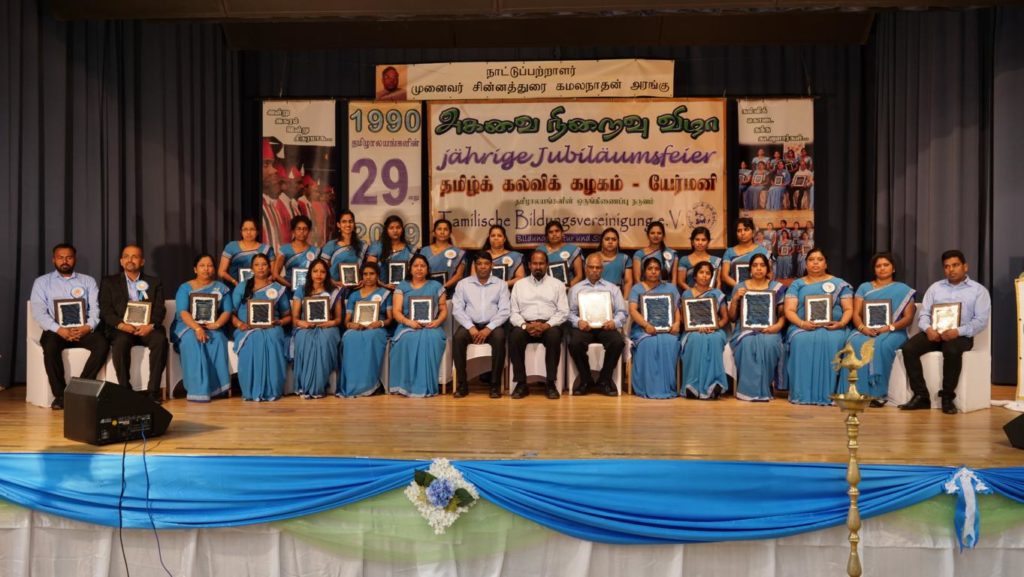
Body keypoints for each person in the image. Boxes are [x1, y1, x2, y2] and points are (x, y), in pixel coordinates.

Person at [898, 250, 990, 414]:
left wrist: (958, 331)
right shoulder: (935, 288)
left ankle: (947, 397)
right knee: (909, 348)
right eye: (947, 266)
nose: (951, 270)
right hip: (934, 333)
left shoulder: (978, 291)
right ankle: (921, 396)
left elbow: (980, 321)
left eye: (955, 265)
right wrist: (928, 329)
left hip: (960, 336)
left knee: (951, 350)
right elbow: (924, 314)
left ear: (965, 267)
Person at [30, 243, 109, 410]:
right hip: (56, 331)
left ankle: (80, 390)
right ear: (53, 260)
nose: (64, 261)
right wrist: (59, 329)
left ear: (75, 259)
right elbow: (39, 312)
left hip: (83, 329)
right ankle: (60, 396)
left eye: (69, 257)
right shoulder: (42, 282)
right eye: (60, 257)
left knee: (102, 344)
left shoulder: (88, 281)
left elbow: (95, 309)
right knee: (50, 346)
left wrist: (88, 327)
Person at [840, 253, 916, 406]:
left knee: (880, 344)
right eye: (878, 266)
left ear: (893, 268)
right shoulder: (864, 287)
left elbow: (908, 317)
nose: (882, 268)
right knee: (853, 343)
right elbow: (856, 314)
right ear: (874, 270)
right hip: (865, 329)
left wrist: (889, 327)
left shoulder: (903, 289)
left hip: (893, 330)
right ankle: (854, 391)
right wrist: (863, 328)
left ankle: (878, 394)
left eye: (886, 265)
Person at [98, 245, 168, 403]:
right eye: (126, 256)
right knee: (121, 342)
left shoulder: (154, 282)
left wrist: (150, 325)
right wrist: (121, 325)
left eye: (135, 256)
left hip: (147, 327)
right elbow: (105, 310)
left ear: (142, 261)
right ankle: (125, 390)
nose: (130, 260)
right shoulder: (109, 282)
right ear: (121, 261)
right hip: (122, 328)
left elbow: (160, 309)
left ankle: (153, 391)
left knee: (160, 340)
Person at [784, 248, 853, 405]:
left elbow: (849, 309)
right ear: (806, 264)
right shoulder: (797, 284)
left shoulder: (839, 284)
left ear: (826, 264)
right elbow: (789, 310)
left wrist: (841, 323)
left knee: (834, 340)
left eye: (820, 259)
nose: (815, 263)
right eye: (811, 259)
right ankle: (801, 394)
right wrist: (802, 323)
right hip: (802, 327)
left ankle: (832, 394)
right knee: (800, 340)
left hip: (835, 327)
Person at [170, 254, 232, 402]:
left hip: (212, 325)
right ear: (195, 269)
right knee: (192, 340)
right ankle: (197, 391)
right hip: (187, 325)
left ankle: (216, 389)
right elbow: (182, 312)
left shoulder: (221, 288)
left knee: (217, 339)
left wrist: (217, 324)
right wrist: (197, 328)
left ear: (214, 269)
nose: (206, 269)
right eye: (202, 266)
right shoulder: (185, 287)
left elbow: (227, 311)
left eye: (209, 266)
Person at [509, 250, 570, 399]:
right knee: (515, 336)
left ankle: (550, 383)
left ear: (547, 265)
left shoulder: (558, 285)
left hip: (549, 325)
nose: (538, 267)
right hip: (526, 325)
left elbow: (563, 312)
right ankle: (521, 383)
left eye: (541, 263)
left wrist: (547, 325)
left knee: (554, 336)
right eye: (535, 263)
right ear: (529, 265)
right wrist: (525, 325)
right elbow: (513, 312)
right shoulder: (519, 285)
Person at [230, 253, 291, 401]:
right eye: (257, 265)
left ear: (269, 267)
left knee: (274, 336)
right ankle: (250, 389)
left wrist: (279, 322)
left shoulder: (278, 288)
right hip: (247, 329)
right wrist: (240, 324)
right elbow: (231, 314)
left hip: (272, 327)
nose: (261, 268)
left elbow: (288, 316)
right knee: (254, 338)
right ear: (252, 268)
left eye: (264, 264)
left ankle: (272, 389)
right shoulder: (242, 287)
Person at [451, 252, 511, 398]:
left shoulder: (501, 285)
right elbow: (457, 309)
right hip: (470, 326)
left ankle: (495, 386)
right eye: (479, 264)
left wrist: (489, 328)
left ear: (492, 265)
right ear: (475, 266)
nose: (483, 267)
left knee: (500, 338)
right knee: (458, 338)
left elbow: (505, 310)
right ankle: (462, 385)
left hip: (492, 326)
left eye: (486, 263)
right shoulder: (463, 284)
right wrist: (470, 327)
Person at [728, 253, 787, 401]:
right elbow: (732, 317)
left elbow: (782, 314)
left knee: (770, 343)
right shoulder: (740, 287)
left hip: (770, 330)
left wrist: (777, 327)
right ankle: (747, 391)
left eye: (762, 265)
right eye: (755, 266)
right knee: (748, 343)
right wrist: (735, 299)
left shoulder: (777, 288)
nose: (759, 268)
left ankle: (765, 387)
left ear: (767, 269)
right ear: (750, 270)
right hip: (744, 330)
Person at [567, 253, 627, 396]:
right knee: (574, 343)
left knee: (618, 342)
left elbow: (622, 313)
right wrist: (578, 322)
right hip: (584, 328)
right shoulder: (576, 289)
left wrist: (614, 322)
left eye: (598, 267)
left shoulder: (613, 289)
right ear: (585, 268)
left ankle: (604, 380)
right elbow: (568, 313)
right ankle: (586, 380)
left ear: (602, 269)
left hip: (606, 327)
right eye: (591, 267)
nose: (594, 270)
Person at [389, 254, 448, 397]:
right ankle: (405, 385)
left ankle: (425, 385)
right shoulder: (402, 286)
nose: (419, 269)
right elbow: (396, 312)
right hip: (407, 326)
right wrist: (409, 322)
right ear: (410, 268)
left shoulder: (436, 286)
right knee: (407, 339)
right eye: (416, 266)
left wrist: (437, 322)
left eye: (423, 266)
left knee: (431, 338)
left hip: (432, 326)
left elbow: (443, 309)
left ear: (427, 269)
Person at [628, 258, 681, 399]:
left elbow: (676, 309)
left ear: (661, 271)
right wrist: (646, 325)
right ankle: (647, 386)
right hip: (643, 329)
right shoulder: (637, 288)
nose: (653, 272)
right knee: (648, 343)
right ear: (644, 271)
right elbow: (633, 310)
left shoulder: (670, 288)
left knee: (670, 342)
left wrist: (677, 323)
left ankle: (667, 386)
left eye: (657, 269)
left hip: (667, 329)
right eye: (650, 268)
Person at [338, 262, 393, 397]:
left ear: (378, 275)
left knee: (371, 337)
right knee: (349, 337)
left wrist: (380, 323)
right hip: (357, 328)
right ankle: (352, 384)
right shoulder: (354, 295)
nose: (368, 277)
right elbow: (346, 320)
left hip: (377, 329)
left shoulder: (385, 293)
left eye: (372, 274)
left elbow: (390, 319)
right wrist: (351, 325)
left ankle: (370, 385)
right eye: (365, 274)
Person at [291, 259, 343, 399]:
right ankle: (306, 386)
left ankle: (318, 386)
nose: (319, 275)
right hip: (305, 327)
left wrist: (330, 323)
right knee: (304, 338)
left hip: (328, 327)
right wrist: (302, 323)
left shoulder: (334, 291)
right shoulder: (301, 290)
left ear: (327, 274)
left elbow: (338, 319)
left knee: (325, 339)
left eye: (322, 272)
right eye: (315, 271)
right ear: (310, 273)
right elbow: (295, 318)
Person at [679, 261, 729, 399]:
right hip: (692, 331)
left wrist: (714, 326)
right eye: (701, 272)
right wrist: (695, 327)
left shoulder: (717, 293)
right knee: (696, 339)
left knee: (715, 339)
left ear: (711, 276)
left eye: (708, 273)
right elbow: (683, 319)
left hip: (714, 330)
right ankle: (692, 386)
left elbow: (725, 318)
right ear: (695, 276)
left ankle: (715, 384)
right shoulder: (687, 294)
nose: (705, 276)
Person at [219, 219, 275, 288]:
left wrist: (264, 283)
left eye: (252, 229)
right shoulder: (231, 246)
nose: (248, 232)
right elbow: (221, 272)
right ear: (241, 232)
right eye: (245, 229)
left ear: (257, 232)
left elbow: (273, 273)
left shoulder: (266, 249)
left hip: (261, 289)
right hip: (234, 288)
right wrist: (235, 283)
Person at [722, 218, 771, 294]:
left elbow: (769, 275)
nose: (742, 233)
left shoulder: (763, 251)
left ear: (753, 232)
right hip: (735, 293)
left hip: (758, 293)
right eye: (739, 230)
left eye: (746, 229)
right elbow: (724, 276)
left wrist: (755, 290)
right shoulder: (729, 252)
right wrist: (740, 288)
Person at [273, 215, 320, 294]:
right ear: (293, 231)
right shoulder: (284, 250)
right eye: (298, 229)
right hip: (289, 291)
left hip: (310, 291)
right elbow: (275, 275)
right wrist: (290, 285)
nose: (302, 232)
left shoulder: (316, 251)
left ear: (309, 231)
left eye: (305, 229)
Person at [418, 218, 466, 295]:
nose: (442, 232)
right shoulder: (424, 250)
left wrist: (442, 288)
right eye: (439, 229)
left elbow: (459, 275)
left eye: (445, 229)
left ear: (450, 233)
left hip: (449, 293)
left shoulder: (458, 252)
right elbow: (418, 271)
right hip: (426, 291)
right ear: (434, 233)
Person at [367, 215, 415, 290]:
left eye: (398, 227)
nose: (395, 230)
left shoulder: (410, 249)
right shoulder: (377, 246)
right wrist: (382, 284)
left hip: (404, 289)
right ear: (386, 230)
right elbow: (369, 270)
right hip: (379, 289)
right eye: (391, 228)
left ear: (402, 229)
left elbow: (414, 272)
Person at [320, 210, 367, 286]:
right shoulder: (331, 245)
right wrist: (334, 282)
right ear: (338, 225)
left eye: (350, 221)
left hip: (356, 287)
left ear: (354, 224)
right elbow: (322, 268)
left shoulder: (362, 245)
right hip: (334, 287)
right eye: (344, 222)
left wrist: (363, 281)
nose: (348, 224)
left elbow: (367, 269)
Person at [536, 220, 582, 287]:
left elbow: (579, 276)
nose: (554, 234)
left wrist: (566, 288)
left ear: (562, 233)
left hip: (569, 288)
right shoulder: (540, 251)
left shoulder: (573, 250)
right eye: (550, 232)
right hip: (546, 288)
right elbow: (537, 273)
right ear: (547, 236)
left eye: (557, 231)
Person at [632, 221, 676, 287]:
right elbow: (637, 280)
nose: (656, 236)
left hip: (667, 290)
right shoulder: (639, 254)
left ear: (663, 235)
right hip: (645, 290)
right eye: (652, 233)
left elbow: (674, 280)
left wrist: (671, 291)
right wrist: (645, 291)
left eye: (659, 233)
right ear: (648, 235)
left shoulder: (672, 253)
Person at [677, 226, 721, 292]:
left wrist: (715, 295)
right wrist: (694, 293)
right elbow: (681, 282)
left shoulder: (716, 261)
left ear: (708, 242)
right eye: (697, 239)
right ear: (692, 242)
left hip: (711, 296)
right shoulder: (684, 260)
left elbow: (718, 282)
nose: (700, 243)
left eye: (703, 240)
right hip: (690, 296)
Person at [481, 224, 524, 289]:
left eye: (499, 235)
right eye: (493, 235)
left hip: (508, 291)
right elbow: (474, 277)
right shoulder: (480, 256)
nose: (496, 238)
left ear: (504, 239)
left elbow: (520, 278)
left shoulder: (515, 256)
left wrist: (503, 285)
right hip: (484, 291)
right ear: (489, 239)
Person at [596, 227, 632, 296]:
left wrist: (624, 300)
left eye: (614, 239)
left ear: (618, 242)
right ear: (601, 241)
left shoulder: (625, 258)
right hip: (597, 295)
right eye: (607, 239)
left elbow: (628, 282)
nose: (610, 242)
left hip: (617, 296)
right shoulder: (593, 258)